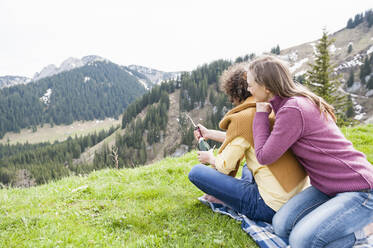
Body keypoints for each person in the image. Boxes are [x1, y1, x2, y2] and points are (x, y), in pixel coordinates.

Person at [246, 55, 373, 247]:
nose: (248, 89)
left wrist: (261, 114)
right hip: (327, 187)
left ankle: (365, 230)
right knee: (280, 226)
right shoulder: (293, 102)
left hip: (359, 189)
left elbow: (264, 156)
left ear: (266, 87)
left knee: (301, 242)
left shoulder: (293, 109)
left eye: (250, 84)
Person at [188, 62, 308, 223]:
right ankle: (233, 194)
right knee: (247, 165)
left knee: (196, 172)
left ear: (234, 93)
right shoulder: (269, 106)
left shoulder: (242, 117)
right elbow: (249, 138)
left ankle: (228, 199)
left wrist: (209, 158)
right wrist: (210, 134)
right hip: (300, 195)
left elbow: (224, 167)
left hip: (270, 207)